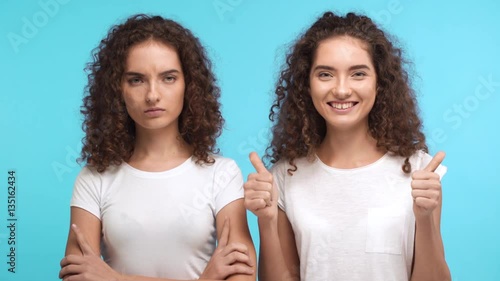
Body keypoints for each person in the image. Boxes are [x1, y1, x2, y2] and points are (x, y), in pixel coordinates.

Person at [244, 11, 451, 281]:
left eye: (358, 74)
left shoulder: (421, 172)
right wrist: (266, 221)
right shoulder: (284, 177)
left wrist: (424, 219)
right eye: (325, 74)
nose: (341, 90)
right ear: (307, 84)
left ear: (380, 84)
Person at [59, 14, 256, 281]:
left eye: (168, 78)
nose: (152, 94)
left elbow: (242, 276)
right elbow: (80, 277)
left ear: (189, 85)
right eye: (136, 80)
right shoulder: (94, 179)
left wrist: (114, 278)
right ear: (117, 89)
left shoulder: (221, 173)